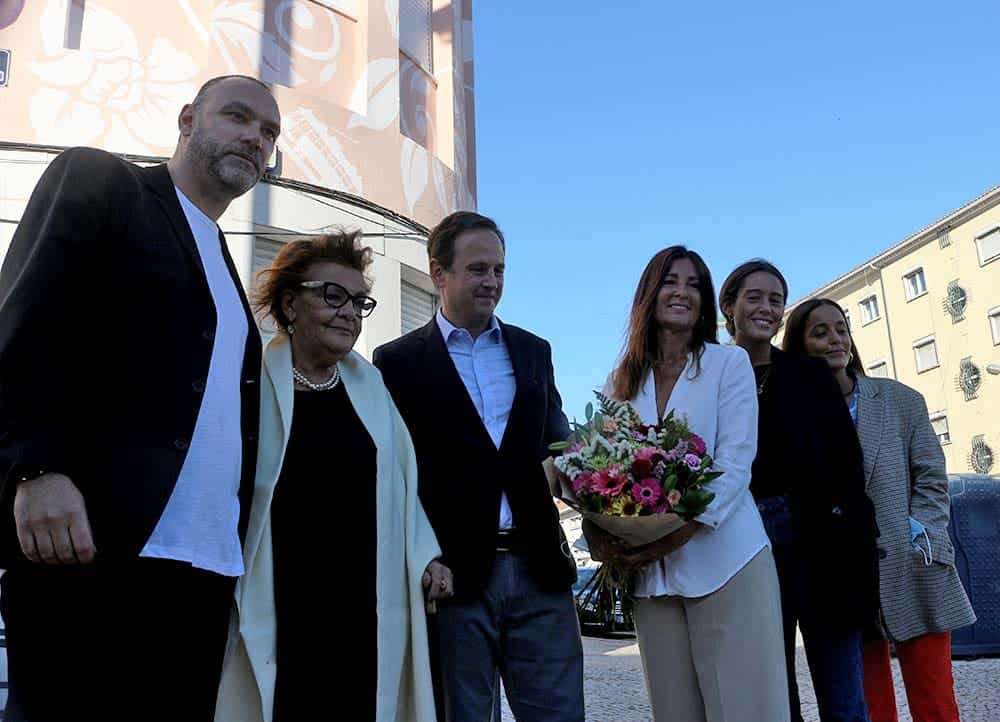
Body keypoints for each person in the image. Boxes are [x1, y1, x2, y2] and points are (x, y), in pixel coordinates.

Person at [0, 74, 279, 722]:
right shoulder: (102, 183)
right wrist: (33, 468)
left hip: (206, 573)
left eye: (269, 133)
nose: (255, 139)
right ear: (187, 119)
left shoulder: (224, 261)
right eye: (238, 117)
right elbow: (23, 326)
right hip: (91, 551)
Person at [213, 231, 451, 722]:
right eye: (332, 296)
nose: (349, 313)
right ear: (290, 304)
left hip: (363, 597)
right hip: (283, 593)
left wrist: (427, 555)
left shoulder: (372, 387)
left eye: (358, 302)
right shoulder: (250, 380)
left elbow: (401, 486)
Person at [373, 211, 584, 722]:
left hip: (540, 570)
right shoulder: (396, 362)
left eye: (499, 270)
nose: (491, 281)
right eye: (477, 269)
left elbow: (560, 446)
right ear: (438, 273)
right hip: (453, 578)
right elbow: (395, 477)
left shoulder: (534, 352)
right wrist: (421, 556)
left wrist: (608, 486)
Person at [587, 247, 788, 722]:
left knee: (747, 711)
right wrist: (604, 534)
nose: (682, 292)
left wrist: (672, 535)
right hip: (651, 578)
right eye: (670, 281)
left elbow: (735, 463)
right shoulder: (620, 382)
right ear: (649, 294)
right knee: (674, 712)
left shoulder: (728, 364)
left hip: (728, 562)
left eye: (694, 284)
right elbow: (602, 472)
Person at [784, 298, 976, 722]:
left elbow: (931, 476)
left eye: (841, 329)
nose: (835, 339)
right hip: (844, 580)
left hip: (915, 566)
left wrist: (919, 534)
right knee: (870, 706)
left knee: (936, 701)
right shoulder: (793, 412)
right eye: (820, 332)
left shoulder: (899, 400)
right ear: (800, 345)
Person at [719, 261, 878, 722]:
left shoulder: (809, 374)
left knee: (843, 694)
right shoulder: (711, 376)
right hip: (744, 542)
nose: (766, 308)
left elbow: (847, 463)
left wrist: (853, 540)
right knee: (772, 699)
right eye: (754, 297)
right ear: (729, 306)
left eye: (776, 300)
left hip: (822, 543)